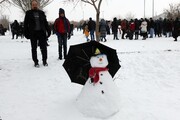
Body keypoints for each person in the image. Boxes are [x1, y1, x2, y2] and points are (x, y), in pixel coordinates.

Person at [24, 0, 51, 67]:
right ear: (31, 5)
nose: (34, 5)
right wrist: (26, 33)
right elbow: (25, 24)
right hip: (33, 33)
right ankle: (36, 62)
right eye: (33, 4)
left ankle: (44, 61)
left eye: (35, 4)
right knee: (34, 48)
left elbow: (45, 23)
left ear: (37, 5)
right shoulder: (28, 13)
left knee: (44, 48)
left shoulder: (41, 13)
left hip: (41, 32)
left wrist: (48, 30)